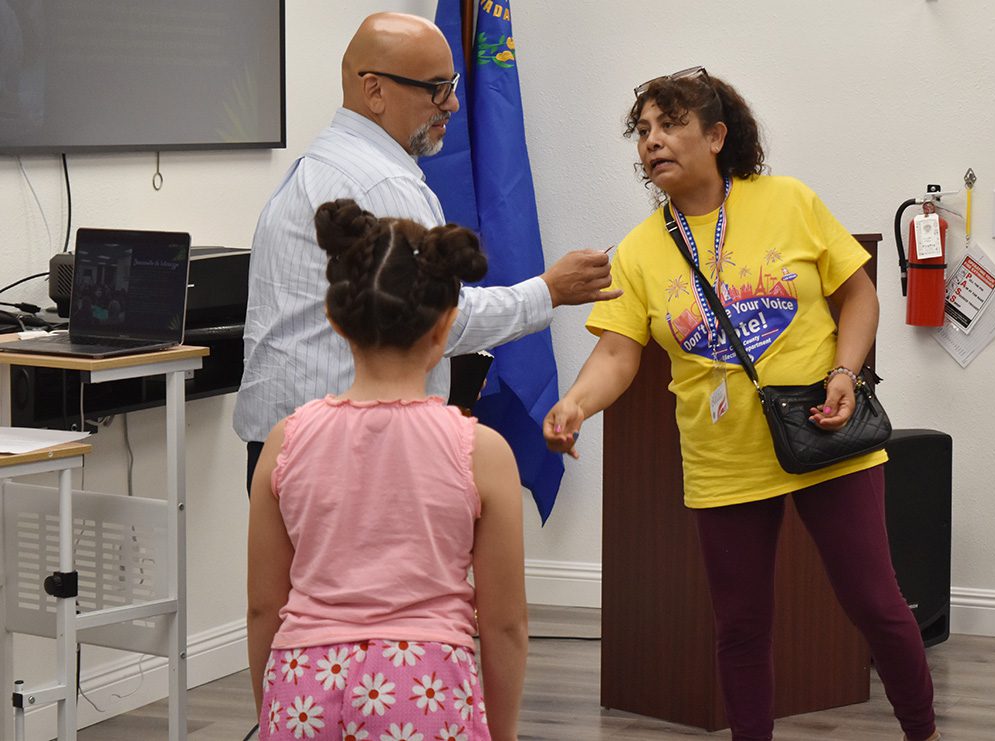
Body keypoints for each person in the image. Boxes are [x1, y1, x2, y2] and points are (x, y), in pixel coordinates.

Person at [543, 68, 939, 741]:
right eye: (643, 130)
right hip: (723, 456)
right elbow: (615, 354)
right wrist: (576, 403)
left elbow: (859, 294)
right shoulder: (639, 251)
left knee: (875, 603)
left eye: (671, 125)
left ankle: (923, 732)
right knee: (741, 626)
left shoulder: (789, 201)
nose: (652, 141)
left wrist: (847, 371)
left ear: (717, 136)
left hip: (826, 431)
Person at [234, 12, 618, 489]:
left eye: (451, 85)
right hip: (348, 458)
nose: (453, 103)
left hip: (293, 448)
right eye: (436, 88)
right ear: (375, 90)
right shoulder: (381, 183)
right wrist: (548, 291)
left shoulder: (319, 164)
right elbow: (432, 319)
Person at [248, 199, 527, 740]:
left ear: (335, 319)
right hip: (424, 689)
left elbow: (264, 608)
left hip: (304, 684)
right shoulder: (481, 452)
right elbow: (505, 623)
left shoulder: (284, 441)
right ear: (446, 326)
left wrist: (275, 712)